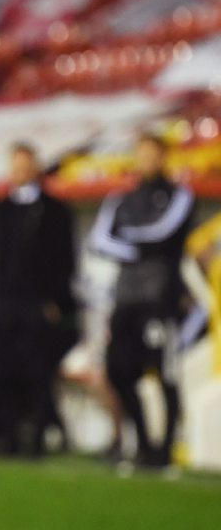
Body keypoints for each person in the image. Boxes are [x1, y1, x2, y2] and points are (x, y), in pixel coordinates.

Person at [88, 133, 194, 472]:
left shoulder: (179, 195)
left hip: (161, 299)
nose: (145, 160)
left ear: (163, 157)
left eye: (152, 154)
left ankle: (165, 450)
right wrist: (136, 245)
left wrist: (128, 238)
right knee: (118, 371)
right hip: (127, 298)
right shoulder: (121, 199)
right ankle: (143, 443)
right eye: (140, 154)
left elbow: (163, 233)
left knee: (165, 374)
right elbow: (100, 240)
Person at [0, 142, 77, 456]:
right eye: (15, 166)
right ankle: (7, 436)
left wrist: (54, 302)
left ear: (35, 169)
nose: (20, 172)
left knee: (37, 374)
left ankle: (36, 438)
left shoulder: (55, 211)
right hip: (4, 305)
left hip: (37, 305)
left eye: (25, 165)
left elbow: (66, 261)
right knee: (4, 372)